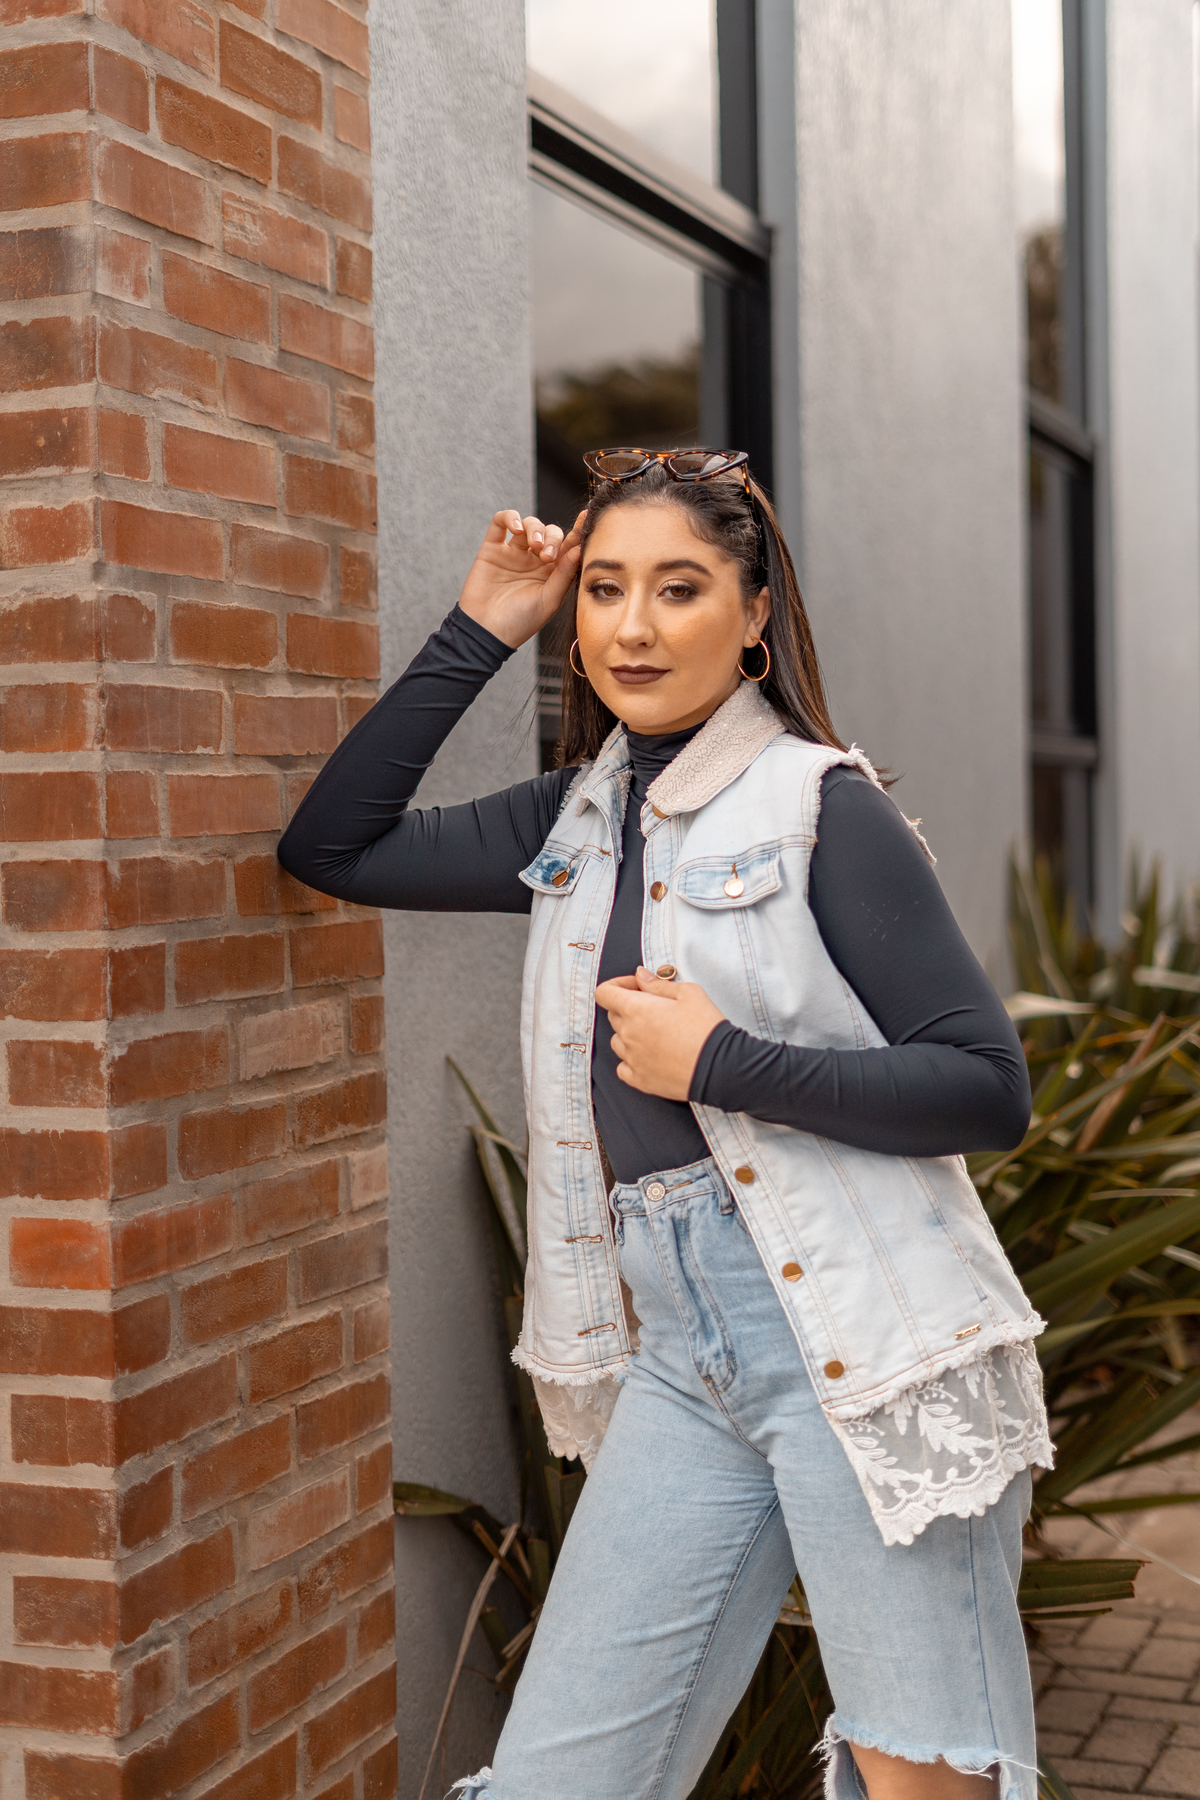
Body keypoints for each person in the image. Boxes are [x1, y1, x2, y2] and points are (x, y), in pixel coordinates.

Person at [278, 449, 1052, 1800]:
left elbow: (985, 1083)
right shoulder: (575, 818)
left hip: (861, 1342)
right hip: (682, 1353)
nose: (633, 627)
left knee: (921, 1781)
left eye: (680, 589)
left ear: (753, 616)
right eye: (608, 591)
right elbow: (332, 848)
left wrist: (723, 1060)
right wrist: (482, 626)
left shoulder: (824, 807)